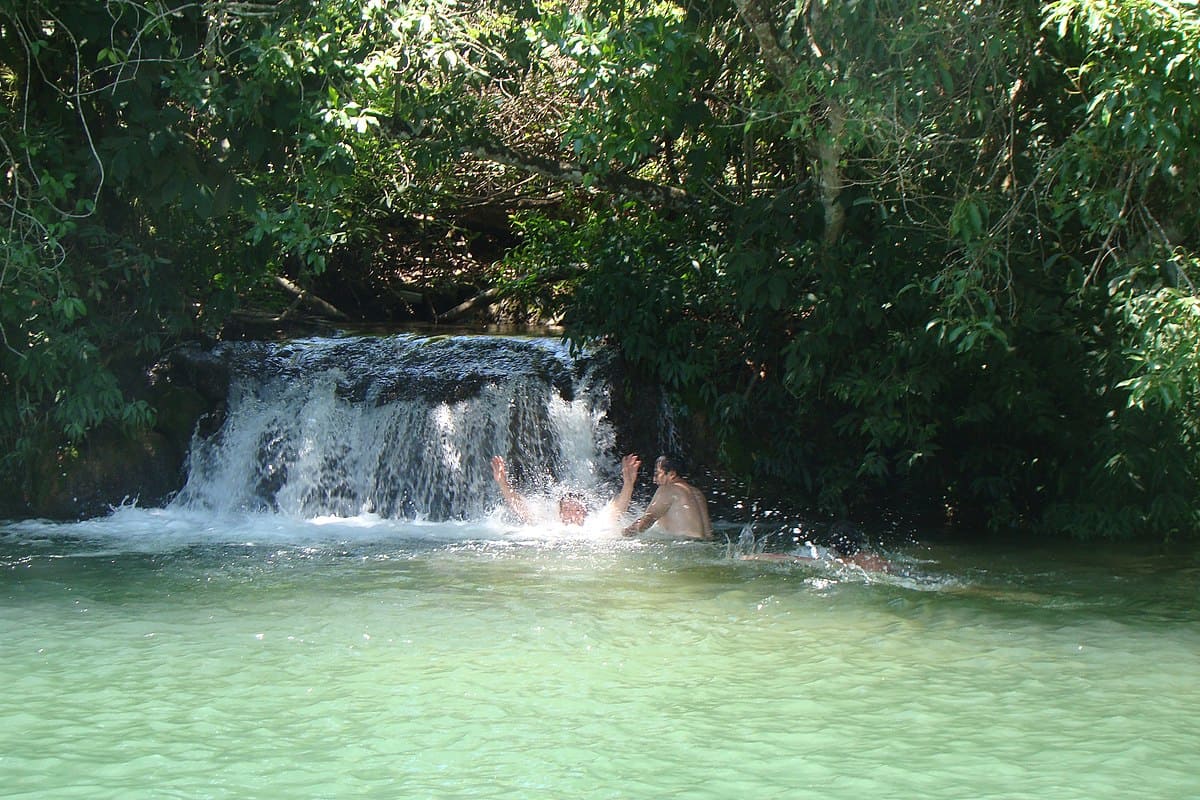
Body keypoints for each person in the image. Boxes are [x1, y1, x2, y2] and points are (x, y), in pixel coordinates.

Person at [490, 453, 641, 526]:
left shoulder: (595, 527)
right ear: (560, 513)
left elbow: (618, 509)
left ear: (585, 513)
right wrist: (503, 483)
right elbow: (521, 509)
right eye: (567, 509)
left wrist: (628, 484)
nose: (572, 515)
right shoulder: (550, 527)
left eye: (577, 510)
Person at [622, 455, 713, 540]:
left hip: (685, 548)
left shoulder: (668, 489)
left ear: (672, 474)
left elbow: (646, 521)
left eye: (657, 474)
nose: (654, 480)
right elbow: (708, 535)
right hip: (704, 546)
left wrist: (623, 534)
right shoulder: (697, 493)